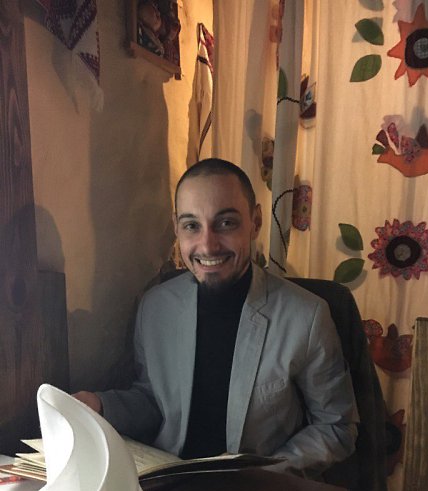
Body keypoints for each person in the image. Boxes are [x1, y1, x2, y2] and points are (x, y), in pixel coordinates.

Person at [75, 159, 358, 473]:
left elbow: (336, 427)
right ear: (176, 227)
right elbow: (154, 400)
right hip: (170, 484)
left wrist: (265, 475)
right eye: (192, 225)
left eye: (226, 223)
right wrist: (100, 405)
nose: (207, 245)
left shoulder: (307, 316)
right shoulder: (155, 306)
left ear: (255, 222)